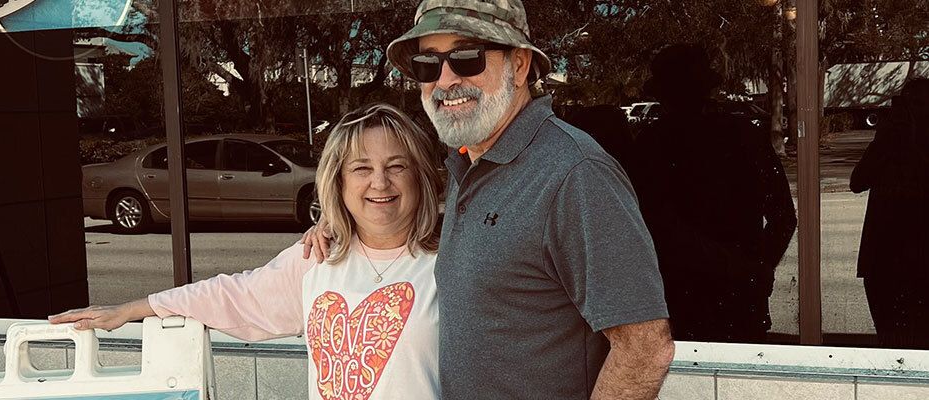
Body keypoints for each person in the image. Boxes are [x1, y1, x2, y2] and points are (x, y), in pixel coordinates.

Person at [304, 1, 674, 398]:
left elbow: (646, 349)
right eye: (428, 64)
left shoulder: (574, 174)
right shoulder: (471, 165)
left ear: (518, 64)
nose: (445, 80)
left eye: (466, 57)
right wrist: (339, 223)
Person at [50, 103, 446, 400]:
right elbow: (231, 296)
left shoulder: (451, 263)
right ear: (338, 182)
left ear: (420, 177)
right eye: (361, 168)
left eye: (397, 166)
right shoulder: (317, 260)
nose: (380, 182)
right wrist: (134, 309)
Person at [628, 44, 797, 343]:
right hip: (728, 293)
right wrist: (756, 269)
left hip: (685, 295)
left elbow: (658, 227)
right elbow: (783, 216)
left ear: (663, 95)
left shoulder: (653, 143)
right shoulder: (743, 134)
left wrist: (752, 269)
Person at [850, 78, 929, 349]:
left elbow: (858, 181)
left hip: (890, 259)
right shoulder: (890, 140)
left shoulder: (894, 141)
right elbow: (857, 181)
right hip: (890, 260)